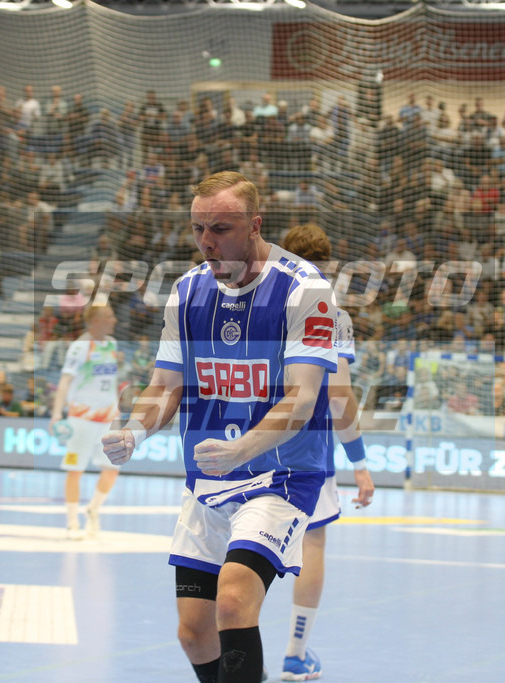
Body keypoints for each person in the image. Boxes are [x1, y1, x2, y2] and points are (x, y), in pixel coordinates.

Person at [102, 172, 338, 683]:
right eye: (198, 228)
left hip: (281, 475)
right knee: (194, 632)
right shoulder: (187, 291)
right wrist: (133, 431)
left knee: (232, 601)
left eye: (221, 228)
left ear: (254, 225)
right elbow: (166, 385)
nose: (207, 241)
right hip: (209, 476)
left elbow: (302, 397)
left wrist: (244, 449)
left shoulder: (306, 289)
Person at [278, 224, 376, 680]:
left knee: (238, 546)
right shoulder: (332, 315)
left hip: (247, 443)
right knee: (312, 541)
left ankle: (231, 650)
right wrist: (360, 462)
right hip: (305, 449)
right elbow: (339, 396)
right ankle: (295, 654)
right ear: (329, 265)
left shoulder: (255, 303)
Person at [48, 304, 124, 540]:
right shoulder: (80, 347)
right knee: (75, 470)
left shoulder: (112, 344)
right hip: (81, 418)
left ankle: (93, 509)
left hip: (108, 418)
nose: (114, 320)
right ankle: (72, 523)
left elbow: (110, 382)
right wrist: (56, 414)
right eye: (109, 316)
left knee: (112, 470)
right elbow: (65, 381)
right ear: (96, 321)